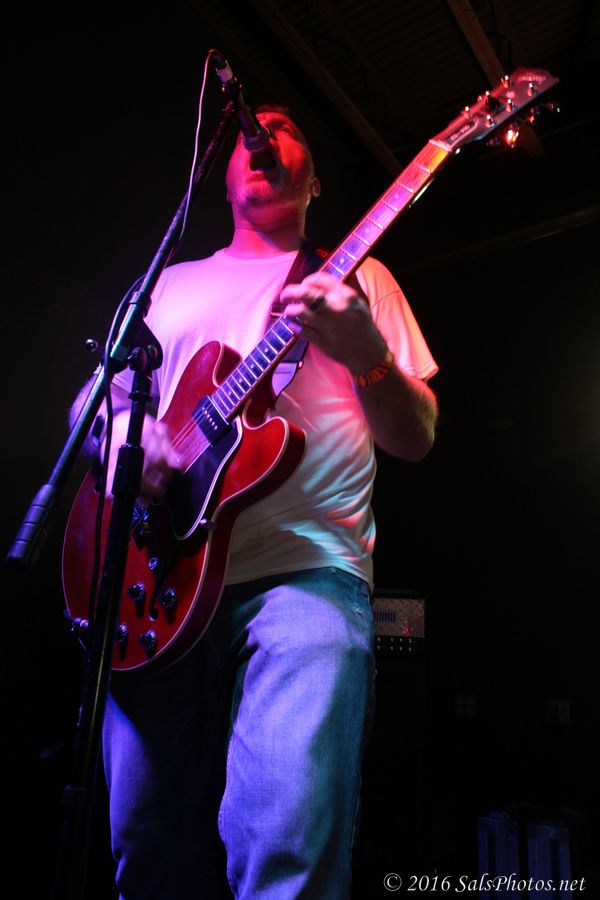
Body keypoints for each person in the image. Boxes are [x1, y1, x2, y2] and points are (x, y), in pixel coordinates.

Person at [81, 106, 438, 899]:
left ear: (316, 182)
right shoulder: (166, 286)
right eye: (251, 127)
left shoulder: (361, 279)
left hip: (305, 577)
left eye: (286, 130)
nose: (261, 137)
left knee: (287, 847)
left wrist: (367, 353)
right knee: (145, 846)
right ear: (223, 176)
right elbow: (92, 409)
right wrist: (128, 440)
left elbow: (417, 437)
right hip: (159, 586)